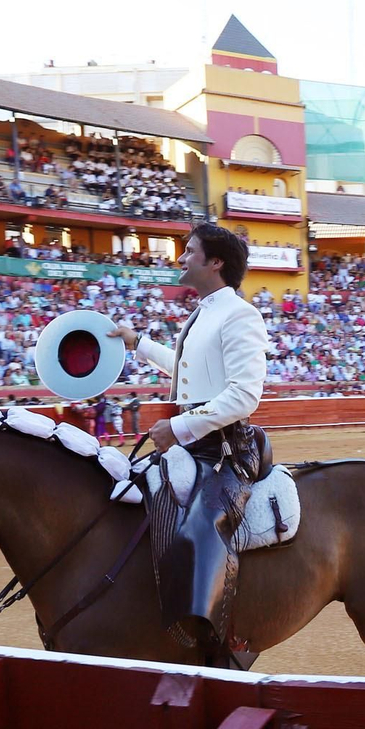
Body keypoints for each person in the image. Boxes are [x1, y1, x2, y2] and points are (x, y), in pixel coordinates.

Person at [107, 224, 267, 663]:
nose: (180, 258)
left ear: (215, 262)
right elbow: (185, 373)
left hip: (227, 452)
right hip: (196, 446)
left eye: (189, 251)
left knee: (200, 529)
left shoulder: (239, 314)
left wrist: (179, 428)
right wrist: (137, 343)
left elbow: (244, 395)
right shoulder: (206, 313)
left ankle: (218, 644)